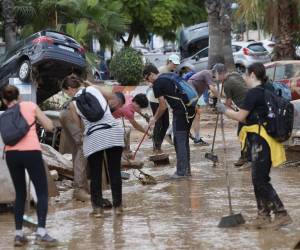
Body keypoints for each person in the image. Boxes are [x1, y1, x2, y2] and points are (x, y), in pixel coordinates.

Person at [216, 63, 292, 229]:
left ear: (251, 75)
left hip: (261, 141)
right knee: (257, 178)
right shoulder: (265, 90)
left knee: (260, 179)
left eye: (245, 75)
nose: (244, 79)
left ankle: (281, 213)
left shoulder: (254, 93)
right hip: (263, 139)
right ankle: (263, 215)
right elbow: (246, 118)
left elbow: (240, 116)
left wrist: (223, 110)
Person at [1, 85, 58, 247]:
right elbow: (49, 126)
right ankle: (41, 232)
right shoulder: (30, 106)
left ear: (4, 100)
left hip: (12, 155)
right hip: (31, 152)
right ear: (18, 97)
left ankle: (18, 235)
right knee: (41, 192)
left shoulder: (4, 115)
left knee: (19, 194)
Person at [62, 76, 125, 217]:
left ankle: (97, 210)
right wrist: (93, 86)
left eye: (67, 92)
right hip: (113, 131)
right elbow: (113, 96)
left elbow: (79, 126)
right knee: (114, 171)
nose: (69, 95)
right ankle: (118, 207)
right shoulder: (94, 88)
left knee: (95, 174)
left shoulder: (73, 104)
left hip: (94, 137)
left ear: (71, 89)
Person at [144, 64, 196, 178]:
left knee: (179, 141)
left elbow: (162, 106)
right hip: (191, 109)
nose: (148, 82)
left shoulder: (157, 84)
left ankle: (181, 172)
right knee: (184, 139)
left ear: (152, 74)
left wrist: (154, 119)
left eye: (147, 78)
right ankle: (187, 171)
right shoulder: (168, 75)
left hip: (181, 112)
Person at [213, 63, 249, 167]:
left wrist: (222, 107)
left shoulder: (228, 84)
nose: (215, 77)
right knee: (250, 133)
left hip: (246, 110)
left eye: (216, 75)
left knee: (241, 133)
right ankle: (249, 157)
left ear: (222, 73)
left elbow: (228, 105)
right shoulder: (235, 75)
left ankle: (245, 158)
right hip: (250, 105)